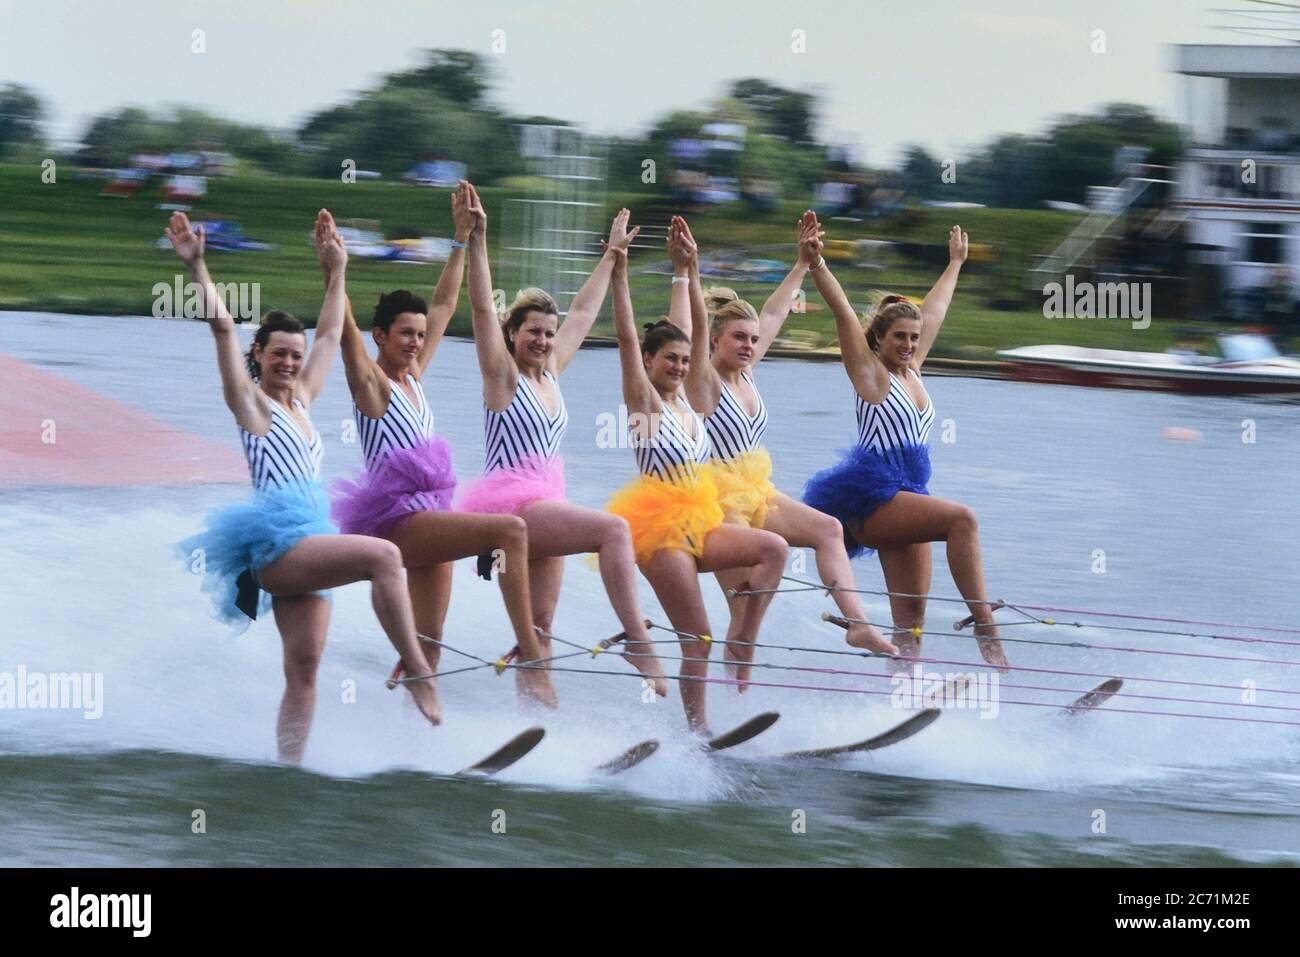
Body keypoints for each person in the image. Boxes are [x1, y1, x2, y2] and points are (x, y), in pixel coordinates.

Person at [167, 209, 441, 763]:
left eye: (294, 354)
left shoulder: (303, 400)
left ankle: (287, 769)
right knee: (385, 556)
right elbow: (223, 328)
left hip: (309, 544)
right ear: (259, 359)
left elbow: (331, 335)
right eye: (278, 354)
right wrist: (198, 267)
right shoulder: (252, 405)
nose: (290, 362)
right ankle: (417, 670)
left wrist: (336, 269)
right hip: (280, 549)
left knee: (305, 670)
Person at [324, 193, 557, 707]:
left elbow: (447, 305)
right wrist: (335, 273)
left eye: (419, 335)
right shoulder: (374, 387)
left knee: (427, 650)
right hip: (397, 524)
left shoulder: (414, 378)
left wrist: (460, 238)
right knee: (509, 528)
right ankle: (530, 650)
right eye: (404, 334)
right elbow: (344, 339)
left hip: (431, 518)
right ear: (380, 336)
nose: (414, 342)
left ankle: (415, 746)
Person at [460, 187, 667, 696]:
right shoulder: (502, 378)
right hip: (514, 508)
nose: (544, 341)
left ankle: (541, 730)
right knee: (614, 530)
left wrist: (613, 256)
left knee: (541, 625)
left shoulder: (551, 373)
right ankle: (638, 640)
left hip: (548, 506)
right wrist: (477, 239)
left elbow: (581, 312)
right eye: (533, 331)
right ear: (513, 335)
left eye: (548, 334)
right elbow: (483, 310)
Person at [664, 213, 898, 658]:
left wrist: (803, 263)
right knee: (746, 609)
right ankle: (729, 703)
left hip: (756, 492)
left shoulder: (747, 374)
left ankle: (858, 624)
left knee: (828, 528)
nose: (749, 345)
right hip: (715, 501)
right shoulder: (702, 380)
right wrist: (688, 270)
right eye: (738, 338)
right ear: (715, 341)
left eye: (753, 340)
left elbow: (773, 312)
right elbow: (690, 328)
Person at [604, 211, 788, 732]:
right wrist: (618, 269)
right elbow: (623, 339)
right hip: (662, 533)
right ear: (649, 360)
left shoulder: (688, 399)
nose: (681, 367)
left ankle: (743, 637)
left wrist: (689, 269)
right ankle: (698, 731)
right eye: (670, 360)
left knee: (773, 548)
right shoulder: (642, 400)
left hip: (702, 521)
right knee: (695, 639)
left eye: (686, 360)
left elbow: (694, 329)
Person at [801, 217, 1009, 669]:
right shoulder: (871, 375)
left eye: (914, 338)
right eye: (899, 337)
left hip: (908, 498)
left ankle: (901, 693)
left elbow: (933, 310)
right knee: (962, 520)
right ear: (878, 338)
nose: (909, 344)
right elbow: (841, 312)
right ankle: (983, 622)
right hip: (873, 499)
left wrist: (955, 263)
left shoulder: (912, 370)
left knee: (911, 619)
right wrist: (817, 264)